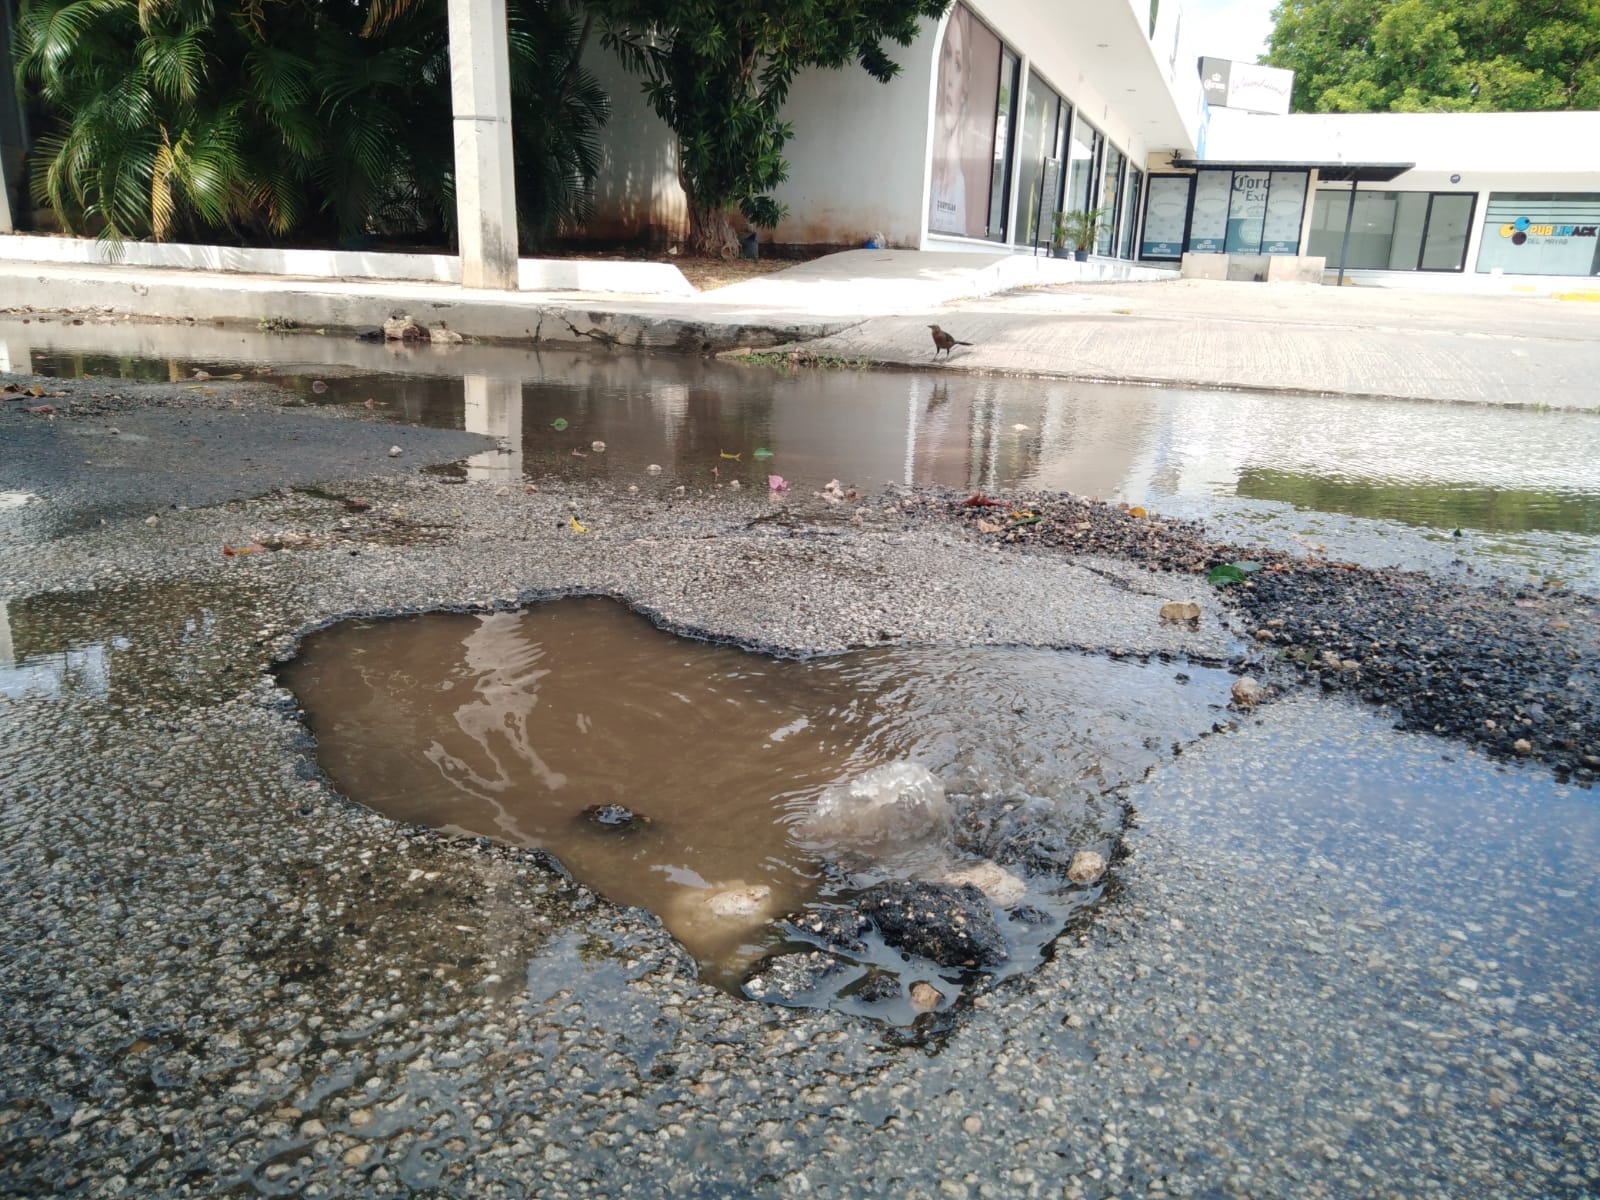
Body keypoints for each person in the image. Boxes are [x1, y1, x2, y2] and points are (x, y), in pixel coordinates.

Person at [929, 7, 970, 236]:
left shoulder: (957, 183)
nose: (950, 80)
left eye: (957, 64)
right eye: (945, 55)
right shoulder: (928, 161)